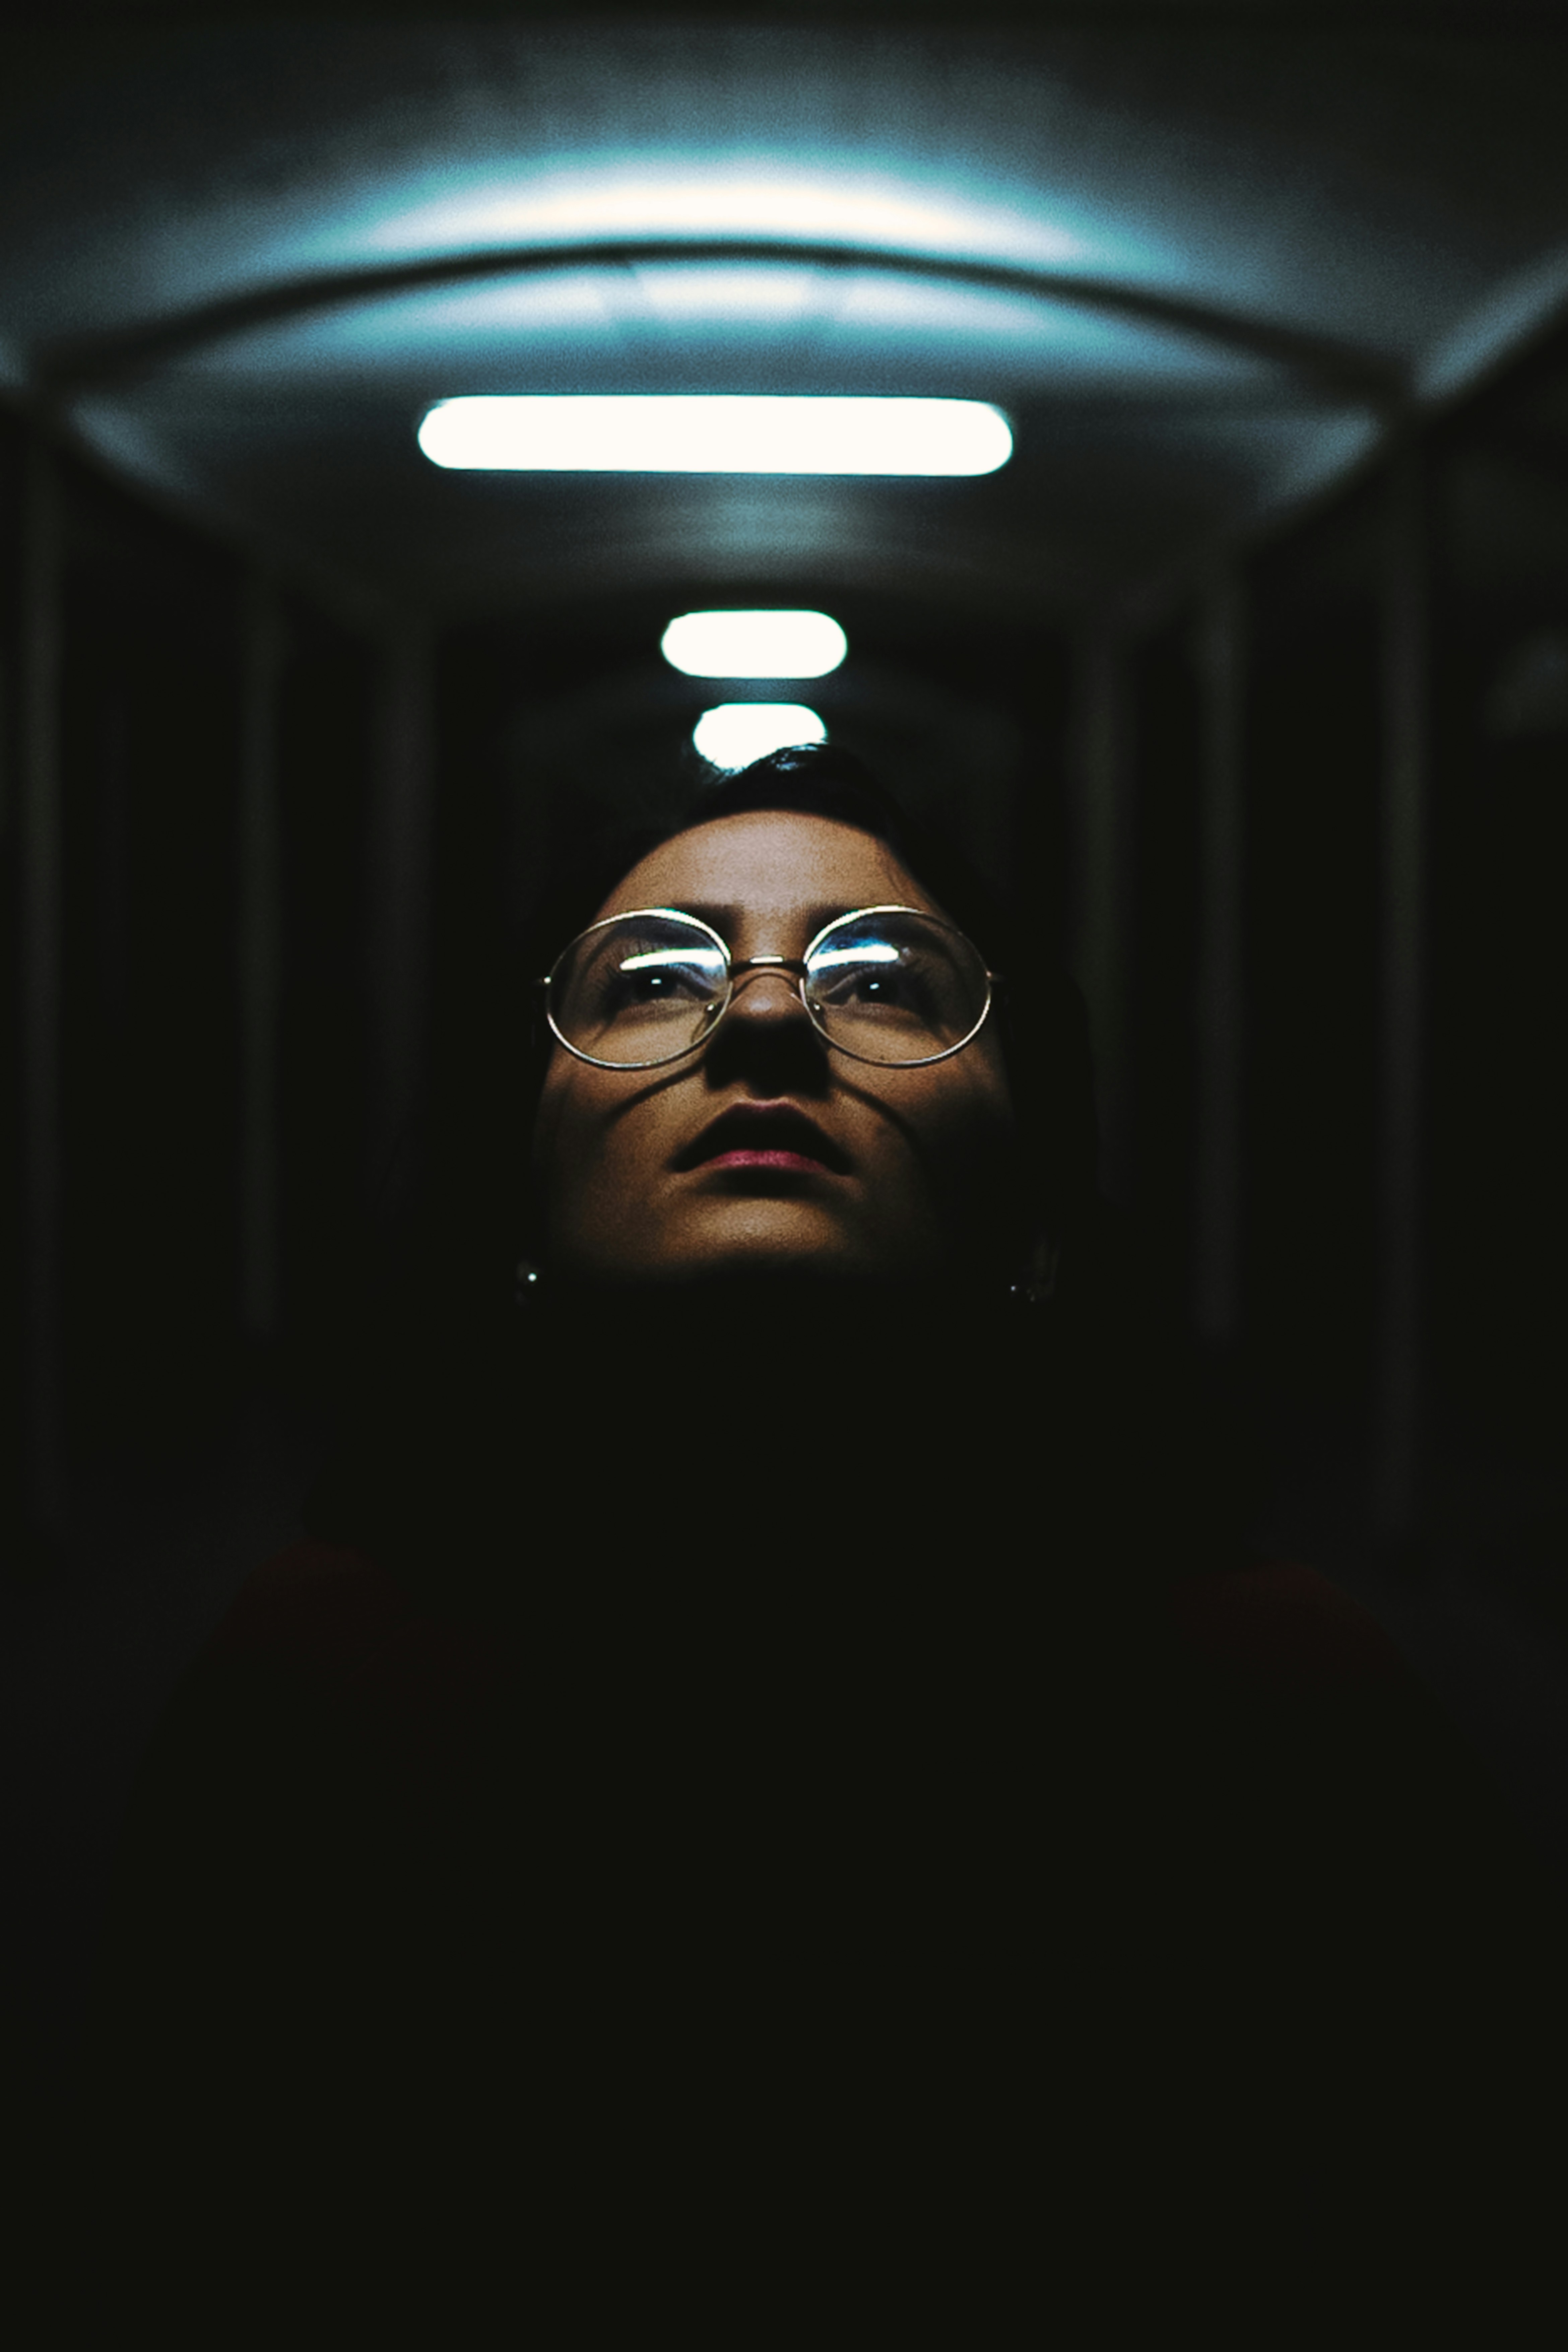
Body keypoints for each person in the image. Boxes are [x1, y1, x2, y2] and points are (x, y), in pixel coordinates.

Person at [56, 745, 1566, 2330]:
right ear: (519, 1189)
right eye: (653, 975)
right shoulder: (309, 1687)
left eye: (885, 980)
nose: (768, 1017)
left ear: (1034, 1212)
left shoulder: (1289, 1705)